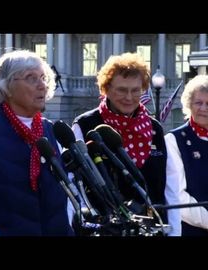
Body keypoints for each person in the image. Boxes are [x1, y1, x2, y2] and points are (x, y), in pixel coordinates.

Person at [0, 50, 75, 236]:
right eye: (31, 78)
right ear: (6, 87)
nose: (42, 85)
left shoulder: (51, 130)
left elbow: (68, 190)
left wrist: (64, 225)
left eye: (43, 77)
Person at [71, 52, 181, 236]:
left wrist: (175, 232)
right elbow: (75, 185)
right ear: (106, 89)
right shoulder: (84, 125)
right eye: (121, 90)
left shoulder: (155, 129)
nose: (129, 97)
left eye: (136, 90)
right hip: (105, 229)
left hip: (152, 228)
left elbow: (171, 188)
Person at [165, 74, 208, 236]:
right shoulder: (174, 141)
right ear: (189, 104)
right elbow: (177, 197)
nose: (203, 108)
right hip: (190, 230)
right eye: (198, 103)